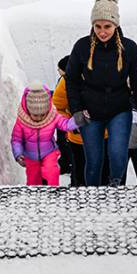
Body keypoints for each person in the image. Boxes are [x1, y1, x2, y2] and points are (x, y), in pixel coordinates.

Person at [64, 0, 137, 187]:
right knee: (94, 162)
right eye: (98, 26)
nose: (102, 32)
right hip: (90, 112)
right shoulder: (82, 47)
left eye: (107, 26)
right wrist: (77, 110)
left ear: (116, 25)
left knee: (117, 154)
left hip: (119, 110)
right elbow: (71, 80)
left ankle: (115, 189)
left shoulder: (129, 48)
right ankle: (93, 194)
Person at [11, 82, 85, 186]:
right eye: (35, 115)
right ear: (28, 110)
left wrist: (77, 120)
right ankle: (35, 196)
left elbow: (65, 124)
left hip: (49, 152)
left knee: (51, 172)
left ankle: (52, 192)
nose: (39, 118)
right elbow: (16, 139)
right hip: (30, 156)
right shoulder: (22, 122)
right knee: (33, 180)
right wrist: (18, 154)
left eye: (42, 114)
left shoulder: (52, 116)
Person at [53, 56, 85, 186]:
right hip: (76, 134)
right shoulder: (65, 82)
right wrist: (68, 123)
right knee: (78, 162)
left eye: (59, 69)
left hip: (96, 135)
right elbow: (58, 105)